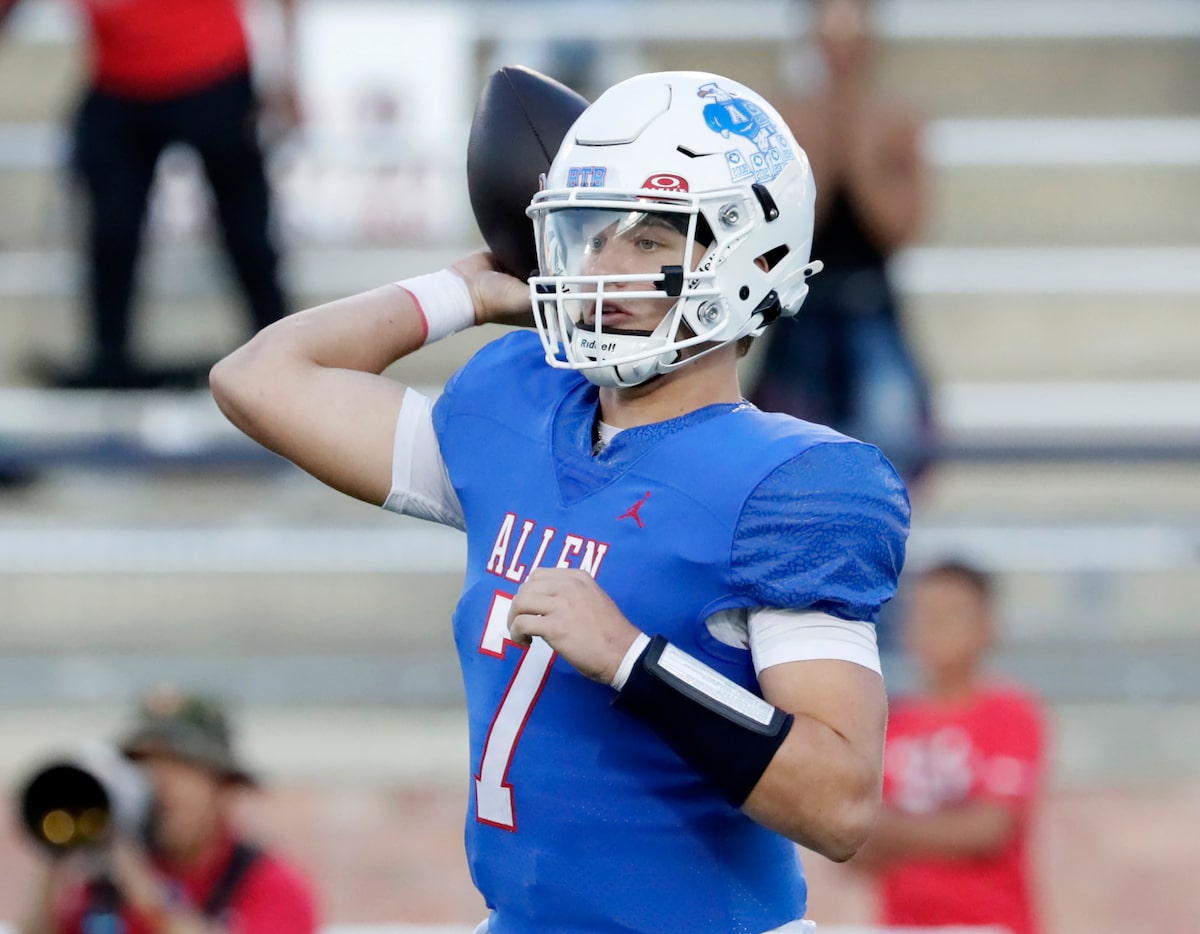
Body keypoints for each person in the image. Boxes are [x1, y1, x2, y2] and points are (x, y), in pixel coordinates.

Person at [211, 69, 910, 933]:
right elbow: (257, 379)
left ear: (752, 255)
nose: (604, 268)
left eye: (649, 241)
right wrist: (460, 292)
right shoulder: (520, 411)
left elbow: (839, 805)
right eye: (586, 236)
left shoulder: (792, 484)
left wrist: (631, 660)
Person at [0, 0, 298, 390]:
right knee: (111, 228)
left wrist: (287, 71)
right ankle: (110, 354)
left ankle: (281, 351)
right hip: (118, 80)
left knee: (245, 229)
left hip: (213, 69)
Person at [749, 0, 935, 484]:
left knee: (893, 446)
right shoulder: (786, 117)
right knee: (789, 456)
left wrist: (854, 137)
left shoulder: (896, 121)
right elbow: (792, 224)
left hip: (870, 303)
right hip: (799, 308)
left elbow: (897, 228)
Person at [18, 687, 320, 934]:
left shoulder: (271, 885)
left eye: (180, 766)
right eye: (143, 765)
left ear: (224, 785)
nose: (159, 783)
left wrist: (144, 891)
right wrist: (56, 862)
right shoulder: (100, 887)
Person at [850, 560, 1047, 934]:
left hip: (994, 925)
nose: (934, 626)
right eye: (924, 613)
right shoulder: (887, 723)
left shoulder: (1012, 714)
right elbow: (851, 847)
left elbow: (989, 829)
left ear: (987, 625)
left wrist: (888, 830)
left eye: (951, 613)